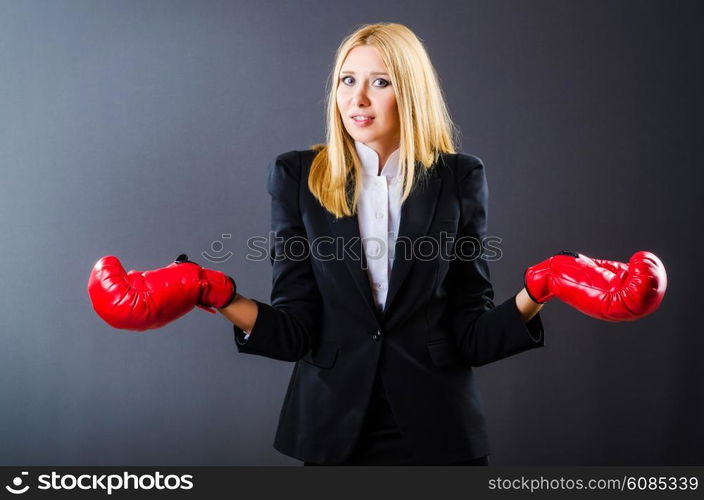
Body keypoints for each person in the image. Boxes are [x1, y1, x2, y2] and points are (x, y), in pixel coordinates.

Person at [87, 23, 667, 466]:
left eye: (380, 81)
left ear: (408, 92)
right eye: (347, 79)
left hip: (441, 434)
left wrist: (545, 287)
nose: (357, 97)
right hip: (331, 430)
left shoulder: (459, 177)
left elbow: (469, 333)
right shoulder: (297, 177)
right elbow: (296, 328)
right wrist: (208, 293)